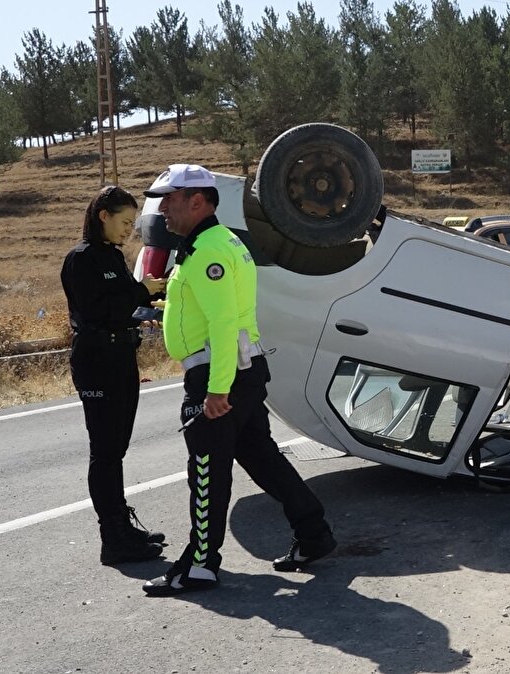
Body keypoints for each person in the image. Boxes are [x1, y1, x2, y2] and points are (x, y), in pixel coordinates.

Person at [140, 164, 336, 597]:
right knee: (262, 458)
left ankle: (200, 566)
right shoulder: (212, 242)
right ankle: (313, 533)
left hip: (220, 372)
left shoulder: (209, 249)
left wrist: (216, 390)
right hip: (234, 369)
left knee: (207, 470)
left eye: (169, 200)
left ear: (197, 201)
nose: (163, 210)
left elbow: (224, 322)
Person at [61, 186, 168, 566]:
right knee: (105, 452)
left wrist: (148, 305)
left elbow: (123, 308)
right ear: (102, 215)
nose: (128, 232)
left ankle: (122, 527)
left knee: (117, 449)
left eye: (132, 225)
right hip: (97, 360)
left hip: (123, 357)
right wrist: (140, 292)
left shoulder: (113, 256)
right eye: (124, 223)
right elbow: (97, 310)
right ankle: (113, 538)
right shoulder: (82, 259)